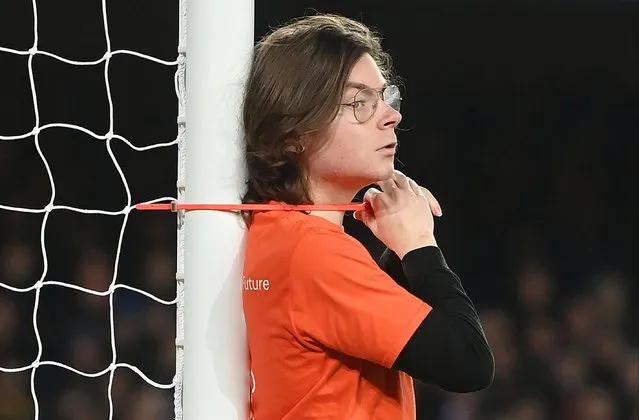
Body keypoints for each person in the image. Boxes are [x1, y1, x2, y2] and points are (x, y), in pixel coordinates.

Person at [241, 13, 494, 420]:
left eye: (384, 97)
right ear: (294, 134)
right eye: (360, 102)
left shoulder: (278, 232)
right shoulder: (313, 251)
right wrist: (419, 247)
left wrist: (395, 255)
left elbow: (353, 334)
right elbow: (468, 362)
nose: (391, 116)